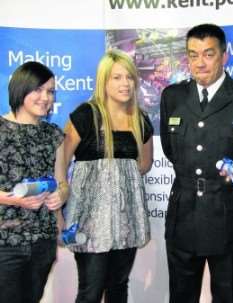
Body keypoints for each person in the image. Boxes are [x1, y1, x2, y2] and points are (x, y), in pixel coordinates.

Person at [160, 23, 233, 303]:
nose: (200, 63)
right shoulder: (172, 97)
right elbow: (172, 151)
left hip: (228, 214)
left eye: (208, 54)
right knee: (180, 296)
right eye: (193, 55)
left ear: (225, 55)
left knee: (226, 295)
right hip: (183, 214)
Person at [63, 49, 153, 303]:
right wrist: (63, 190)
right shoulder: (85, 115)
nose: (125, 83)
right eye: (116, 77)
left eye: (129, 77)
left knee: (118, 287)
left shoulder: (140, 120)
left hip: (127, 220)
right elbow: (61, 157)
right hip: (90, 221)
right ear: (103, 81)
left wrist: (120, 180)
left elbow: (144, 164)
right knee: (91, 290)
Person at [0, 61, 67, 303]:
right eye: (38, 90)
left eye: (50, 91)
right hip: (6, 241)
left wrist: (61, 194)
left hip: (42, 241)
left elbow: (62, 182)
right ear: (21, 89)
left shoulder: (53, 134)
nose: (45, 97)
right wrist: (10, 198)